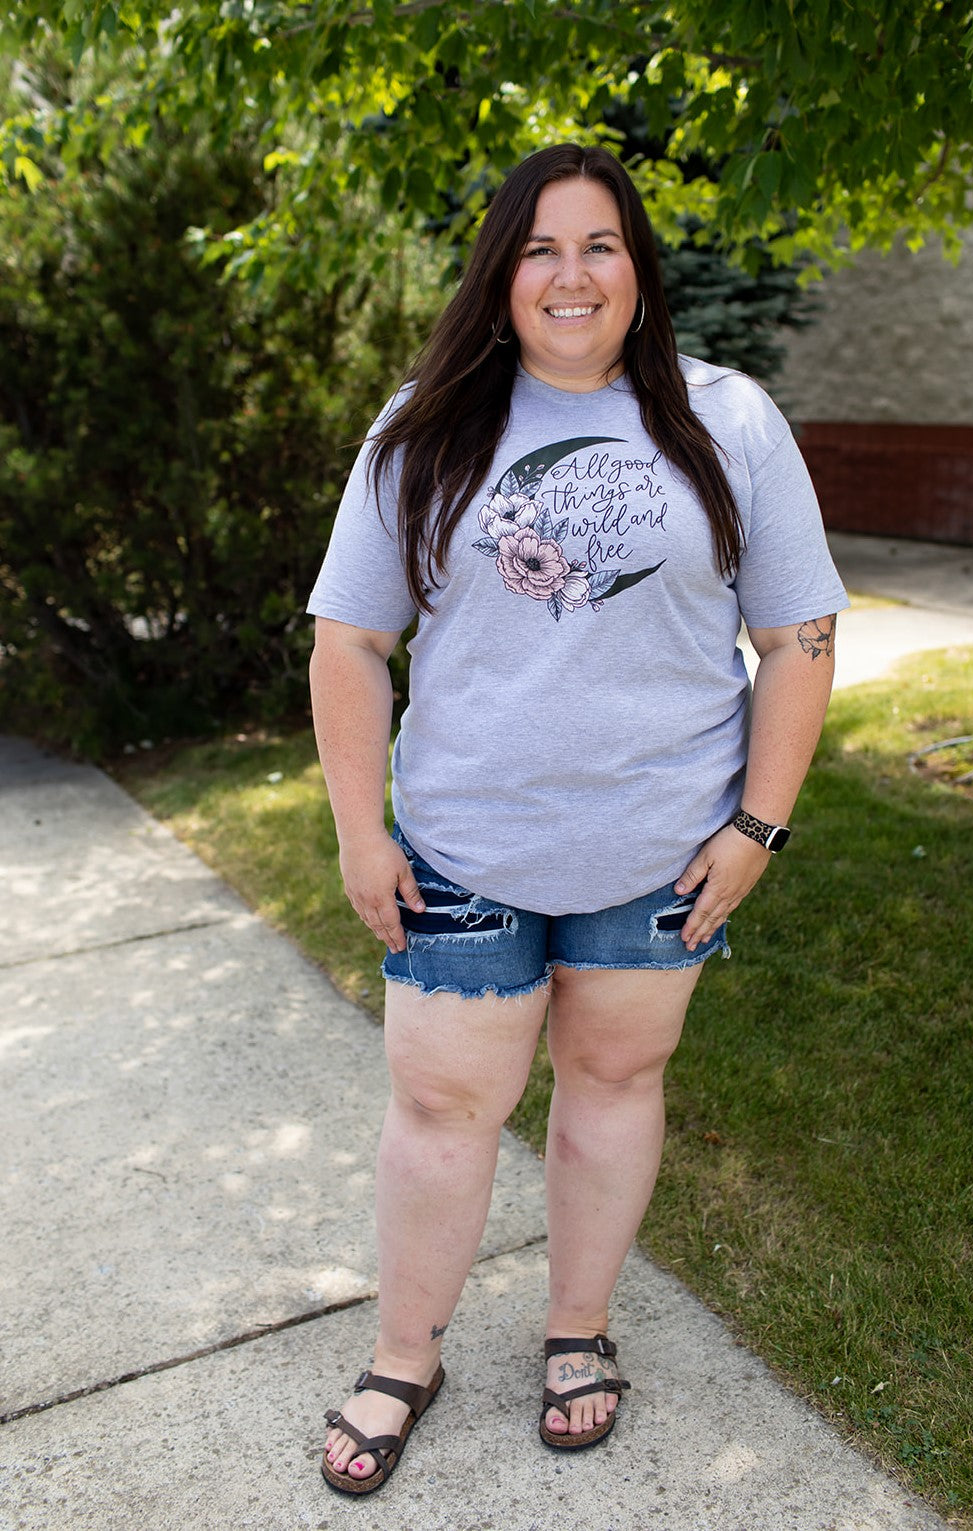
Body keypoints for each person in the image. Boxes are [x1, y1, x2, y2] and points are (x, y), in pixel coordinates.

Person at [307, 142, 848, 1496]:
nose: (571, 273)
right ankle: (403, 1353)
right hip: (460, 850)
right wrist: (360, 833)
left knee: (614, 1085)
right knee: (443, 1104)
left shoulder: (728, 421)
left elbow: (799, 636)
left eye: (599, 244)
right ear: (501, 278)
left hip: (662, 851)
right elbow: (349, 642)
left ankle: (576, 1330)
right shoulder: (424, 428)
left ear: (638, 270)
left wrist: (757, 828)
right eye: (540, 248)